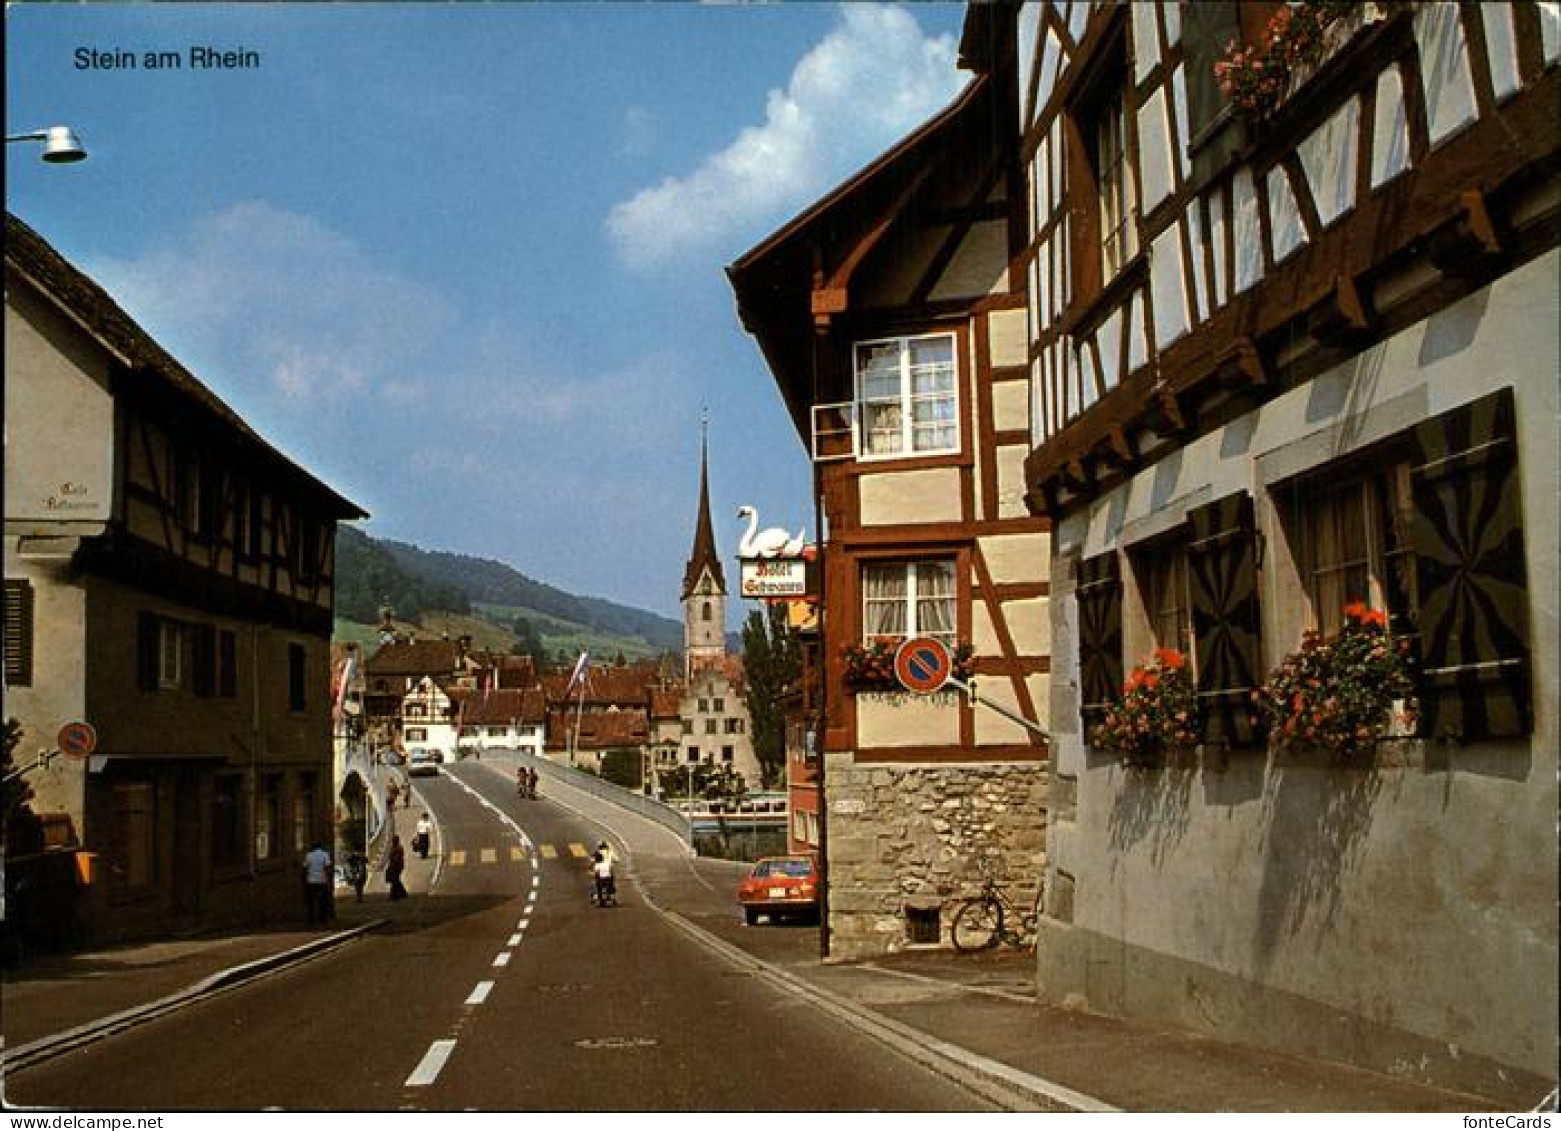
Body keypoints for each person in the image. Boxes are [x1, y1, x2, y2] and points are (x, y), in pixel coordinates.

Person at [302, 842, 333, 925]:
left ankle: (311, 919)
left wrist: (305, 880)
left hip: (311, 881)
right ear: (321, 847)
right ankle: (323, 919)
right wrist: (328, 881)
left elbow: (305, 867)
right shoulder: (325, 854)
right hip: (322, 881)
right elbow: (327, 867)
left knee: (311, 901)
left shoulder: (309, 855)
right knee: (323, 901)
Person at [386, 835, 407, 900]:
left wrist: (393, 861)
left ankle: (394, 895)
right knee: (396, 880)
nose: (393, 842)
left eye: (394, 840)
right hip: (394, 865)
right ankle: (403, 893)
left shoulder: (399, 848)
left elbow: (397, 857)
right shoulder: (393, 847)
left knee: (395, 880)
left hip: (397, 866)